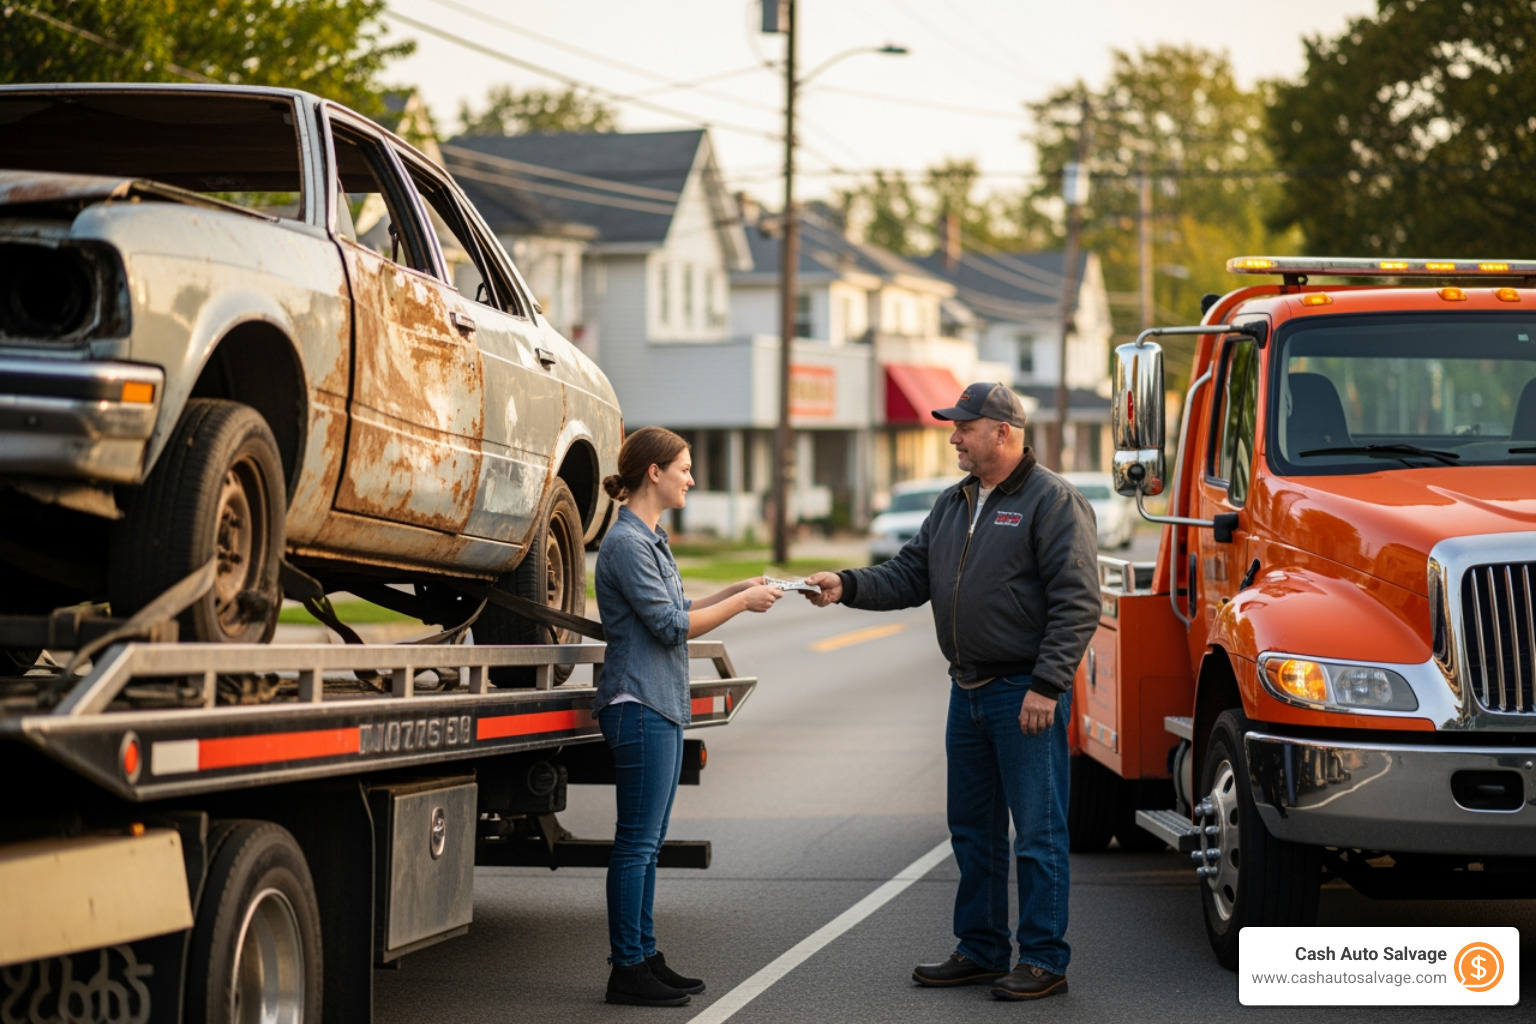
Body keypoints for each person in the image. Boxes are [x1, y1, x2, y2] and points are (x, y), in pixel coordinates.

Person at [803, 382, 1100, 1002]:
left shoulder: (1053, 502)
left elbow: (1078, 605)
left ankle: (1043, 959)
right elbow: (911, 574)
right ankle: (983, 949)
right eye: (954, 426)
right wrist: (847, 584)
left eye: (964, 427)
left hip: (1024, 691)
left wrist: (1047, 686)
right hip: (966, 692)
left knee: (1038, 833)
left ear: (1003, 432)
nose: (953, 437)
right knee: (972, 829)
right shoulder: (954, 503)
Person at [594, 426, 784, 1007]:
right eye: (684, 467)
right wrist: (741, 605)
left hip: (662, 704)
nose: (691, 478)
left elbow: (678, 607)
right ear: (654, 472)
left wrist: (737, 588)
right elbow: (671, 626)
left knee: (647, 845)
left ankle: (645, 955)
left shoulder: (651, 539)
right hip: (639, 705)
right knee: (636, 845)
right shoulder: (627, 542)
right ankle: (626, 969)